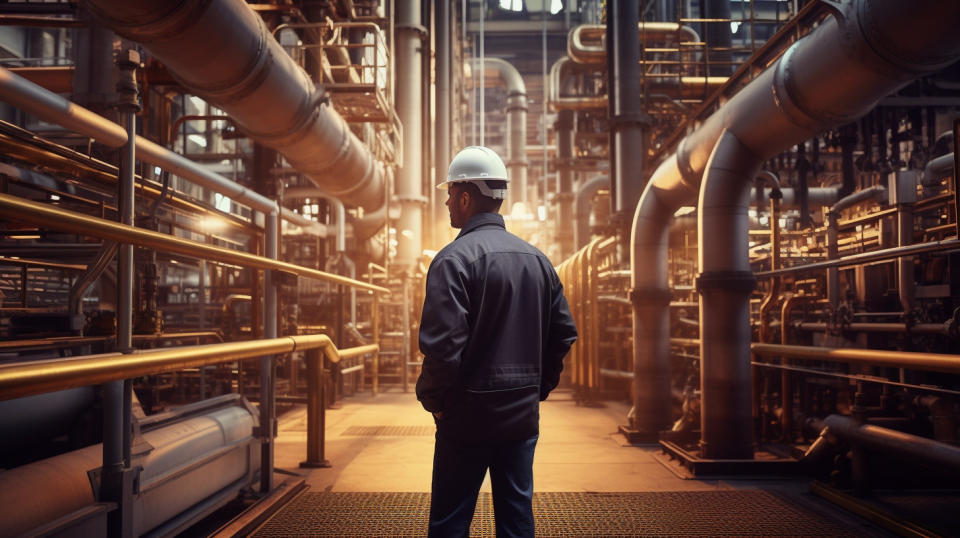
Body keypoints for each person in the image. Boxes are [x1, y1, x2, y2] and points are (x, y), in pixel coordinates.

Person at [416, 146, 578, 537]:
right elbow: (564, 333)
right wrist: (536, 389)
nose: (446, 202)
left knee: (450, 523)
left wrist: (435, 403)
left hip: (466, 419)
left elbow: (443, 350)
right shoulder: (539, 261)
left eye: (450, 194)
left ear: (466, 197)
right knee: (516, 521)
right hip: (520, 418)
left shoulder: (452, 261)